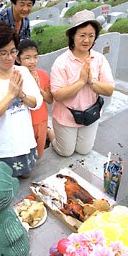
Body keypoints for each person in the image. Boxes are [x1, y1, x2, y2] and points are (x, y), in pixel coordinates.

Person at [0, 22, 43, 177]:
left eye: (13, 51)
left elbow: (37, 103)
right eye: (3, 53)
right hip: (4, 145)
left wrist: (22, 95)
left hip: (25, 140)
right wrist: (11, 95)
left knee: (26, 175)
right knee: (7, 180)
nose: (10, 57)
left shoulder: (23, 72)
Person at [50, 10, 115, 157]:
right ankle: (50, 132)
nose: (87, 40)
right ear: (73, 36)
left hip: (90, 114)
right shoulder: (61, 62)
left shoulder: (99, 59)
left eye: (91, 36)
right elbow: (58, 95)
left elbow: (109, 89)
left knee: (84, 150)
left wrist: (91, 80)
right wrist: (81, 82)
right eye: (82, 35)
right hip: (66, 115)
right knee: (65, 152)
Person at [16, 39, 53, 159]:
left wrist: (38, 89)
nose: (32, 62)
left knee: (39, 152)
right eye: (27, 58)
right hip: (25, 122)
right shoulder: (16, 77)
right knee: (27, 155)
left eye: (35, 57)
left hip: (42, 119)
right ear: (18, 59)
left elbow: (49, 99)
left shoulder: (42, 74)